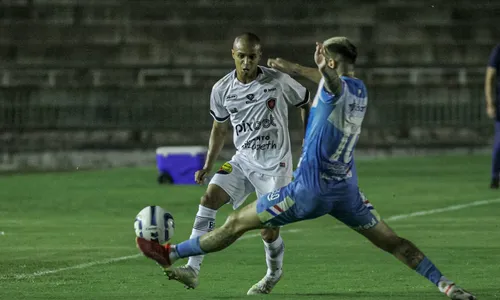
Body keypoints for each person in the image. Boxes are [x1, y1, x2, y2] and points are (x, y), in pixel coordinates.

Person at [137, 37, 476, 300]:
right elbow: (336, 81)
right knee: (392, 242)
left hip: (308, 192)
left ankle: (170, 252)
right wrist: (312, 69)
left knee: (236, 222)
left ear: (329, 62)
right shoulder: (360, 90)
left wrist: (303, 68)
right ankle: (446, 286)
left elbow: (330, 84)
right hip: (347, 193)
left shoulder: (332, 89)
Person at [164, 32, 310, 294]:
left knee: (268, 230)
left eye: (252, 57)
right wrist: (208, 164)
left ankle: (273, 274)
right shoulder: (221, 89)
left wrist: (308, 147)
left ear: (259, 56)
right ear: (233, 54)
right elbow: (219, 128)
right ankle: (192, 269)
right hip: (242, 161)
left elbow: (305, 102)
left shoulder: (277, 81)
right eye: (241, 56)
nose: (246, 62)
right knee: (209, 199)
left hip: (276, 166)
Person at [485, 43, 500, 189]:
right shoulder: (498, 51)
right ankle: (495, 177)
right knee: (499, 144)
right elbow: (489, 79)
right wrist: (489, 103)